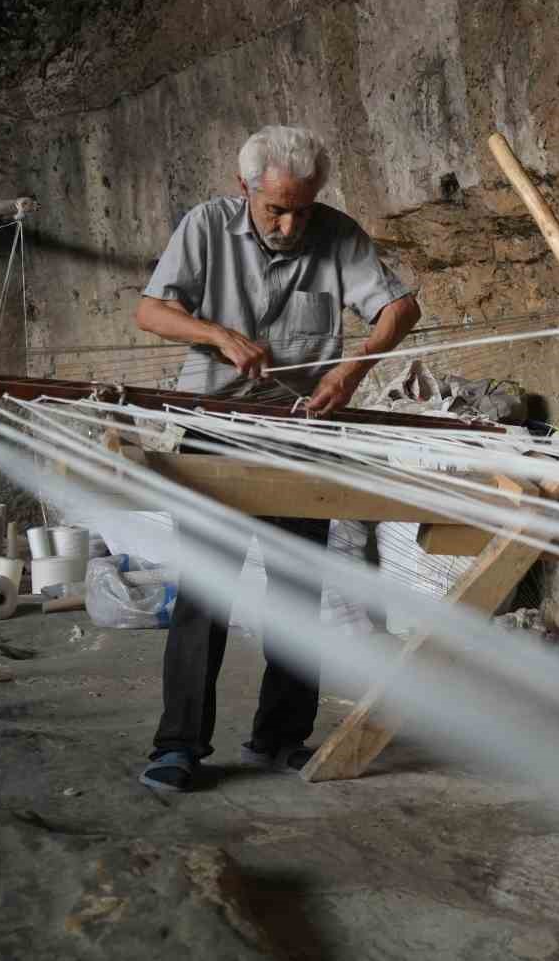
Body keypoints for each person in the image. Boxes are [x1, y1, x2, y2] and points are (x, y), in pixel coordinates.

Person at [133, 125, 421, 792]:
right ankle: (179, 746)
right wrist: (215, 334)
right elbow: (152, 311)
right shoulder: (205, 226)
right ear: (245, 189)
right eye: (275, 209)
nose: (290, 224)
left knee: (298, 582)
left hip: (301, 429)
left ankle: (280, 736)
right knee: (207, 587)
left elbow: (400, 308)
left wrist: (349, 375)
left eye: (302, 208)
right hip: (213, 427)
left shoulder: (337, 233)